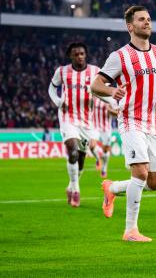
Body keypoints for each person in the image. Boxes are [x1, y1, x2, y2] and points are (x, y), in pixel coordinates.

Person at [91, 5, 156, 242]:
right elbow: (96, 85)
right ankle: (130, 230)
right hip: (131, 120)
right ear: (130, 26)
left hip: (155, 124)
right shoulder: (119, 56)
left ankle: (113, 188)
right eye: (141, 19)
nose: (147, 22)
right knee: (140, 171)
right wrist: (112, 92)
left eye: (148, 19)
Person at [48, 42, 101, 207]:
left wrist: (113, 102)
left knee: (81, 159)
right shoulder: (62, 71)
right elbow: (52, 88)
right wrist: (58, 101)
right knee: (72, 151)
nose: (79, 56)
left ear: (85, 55)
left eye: (82, 54)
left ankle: (70, 185)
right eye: (76, 54)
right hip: (67, 117)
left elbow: (102, 91)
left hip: (87, 121)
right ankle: (76, 190)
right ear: (70, 56)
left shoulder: (95, 72)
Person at [93, 96, 119, 178]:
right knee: (91, 146)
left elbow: (117, 114)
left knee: (105, 151)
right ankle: (97, 158)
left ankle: (104, 168)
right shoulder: (94, 96)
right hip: (94, 126)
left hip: (106, 128)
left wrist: (109, 110)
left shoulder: (111, 100)